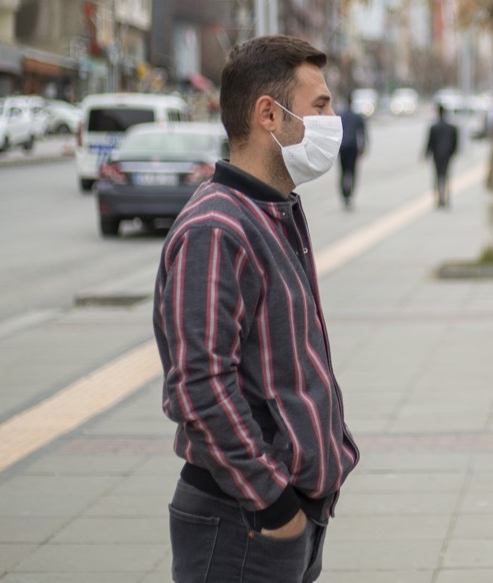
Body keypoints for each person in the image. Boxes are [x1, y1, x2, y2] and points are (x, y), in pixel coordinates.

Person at [153, 35, 359, 583]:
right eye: (319, 106)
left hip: (282, 518)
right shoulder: (218, 228)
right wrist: (274, 508)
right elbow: (199, 385)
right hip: (242, 524)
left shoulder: (273, 211)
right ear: (270, 114)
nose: (333, 120)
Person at [424, 102, 459, 208]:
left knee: (438, 176)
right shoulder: (452, 127)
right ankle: (446, 198)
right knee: (446, 176)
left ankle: (439, 199)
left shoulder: (434, 127)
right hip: (447, 155)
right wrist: (452, 153)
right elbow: (455, 143)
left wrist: (427, 154)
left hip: (437, 155)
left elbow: (430, 143)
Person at [337, 92, 368, 210]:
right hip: (353, 147)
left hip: (342, 147)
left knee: (343, 172)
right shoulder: (357, 116)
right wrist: (364, 146)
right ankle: (350, 195)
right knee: (352, 172)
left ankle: (344, 195)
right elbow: (363, 133)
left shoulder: (341, 116)